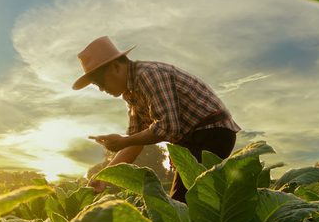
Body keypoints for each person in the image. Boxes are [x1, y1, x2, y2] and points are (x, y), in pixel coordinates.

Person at [73, 36, 241, 202]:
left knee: (181, 205)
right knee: (190, 202)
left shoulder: (148, 75)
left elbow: (168, 128)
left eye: (101, 83)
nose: (102, 89)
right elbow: (134, 143)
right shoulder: (132, 93)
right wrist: (104, 176)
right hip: (192, 141)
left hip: (212, 133)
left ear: (115, 67)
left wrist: (123, 142)